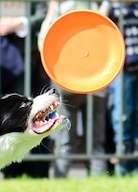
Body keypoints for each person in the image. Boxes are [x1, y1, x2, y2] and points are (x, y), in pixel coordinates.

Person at [39, 0, 109, 178]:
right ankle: (96, 178)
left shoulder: (62, 8)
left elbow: (44, 43)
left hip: (76, 79)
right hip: (89, 78)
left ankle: (63, 179)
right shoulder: (98, 7)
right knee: (89, 139)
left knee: (67, 137)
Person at [0, 1, 53, 179]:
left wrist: (19, 23)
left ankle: (36, 168)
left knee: (35, 113)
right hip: (3, 62)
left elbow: (42, 13)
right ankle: (9, 169)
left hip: (32, 62)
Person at [101, 1, 138, 176]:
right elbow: (101, 19)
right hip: (122, 67)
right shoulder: (113, 8)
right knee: (123, 115)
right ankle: (123, 165)